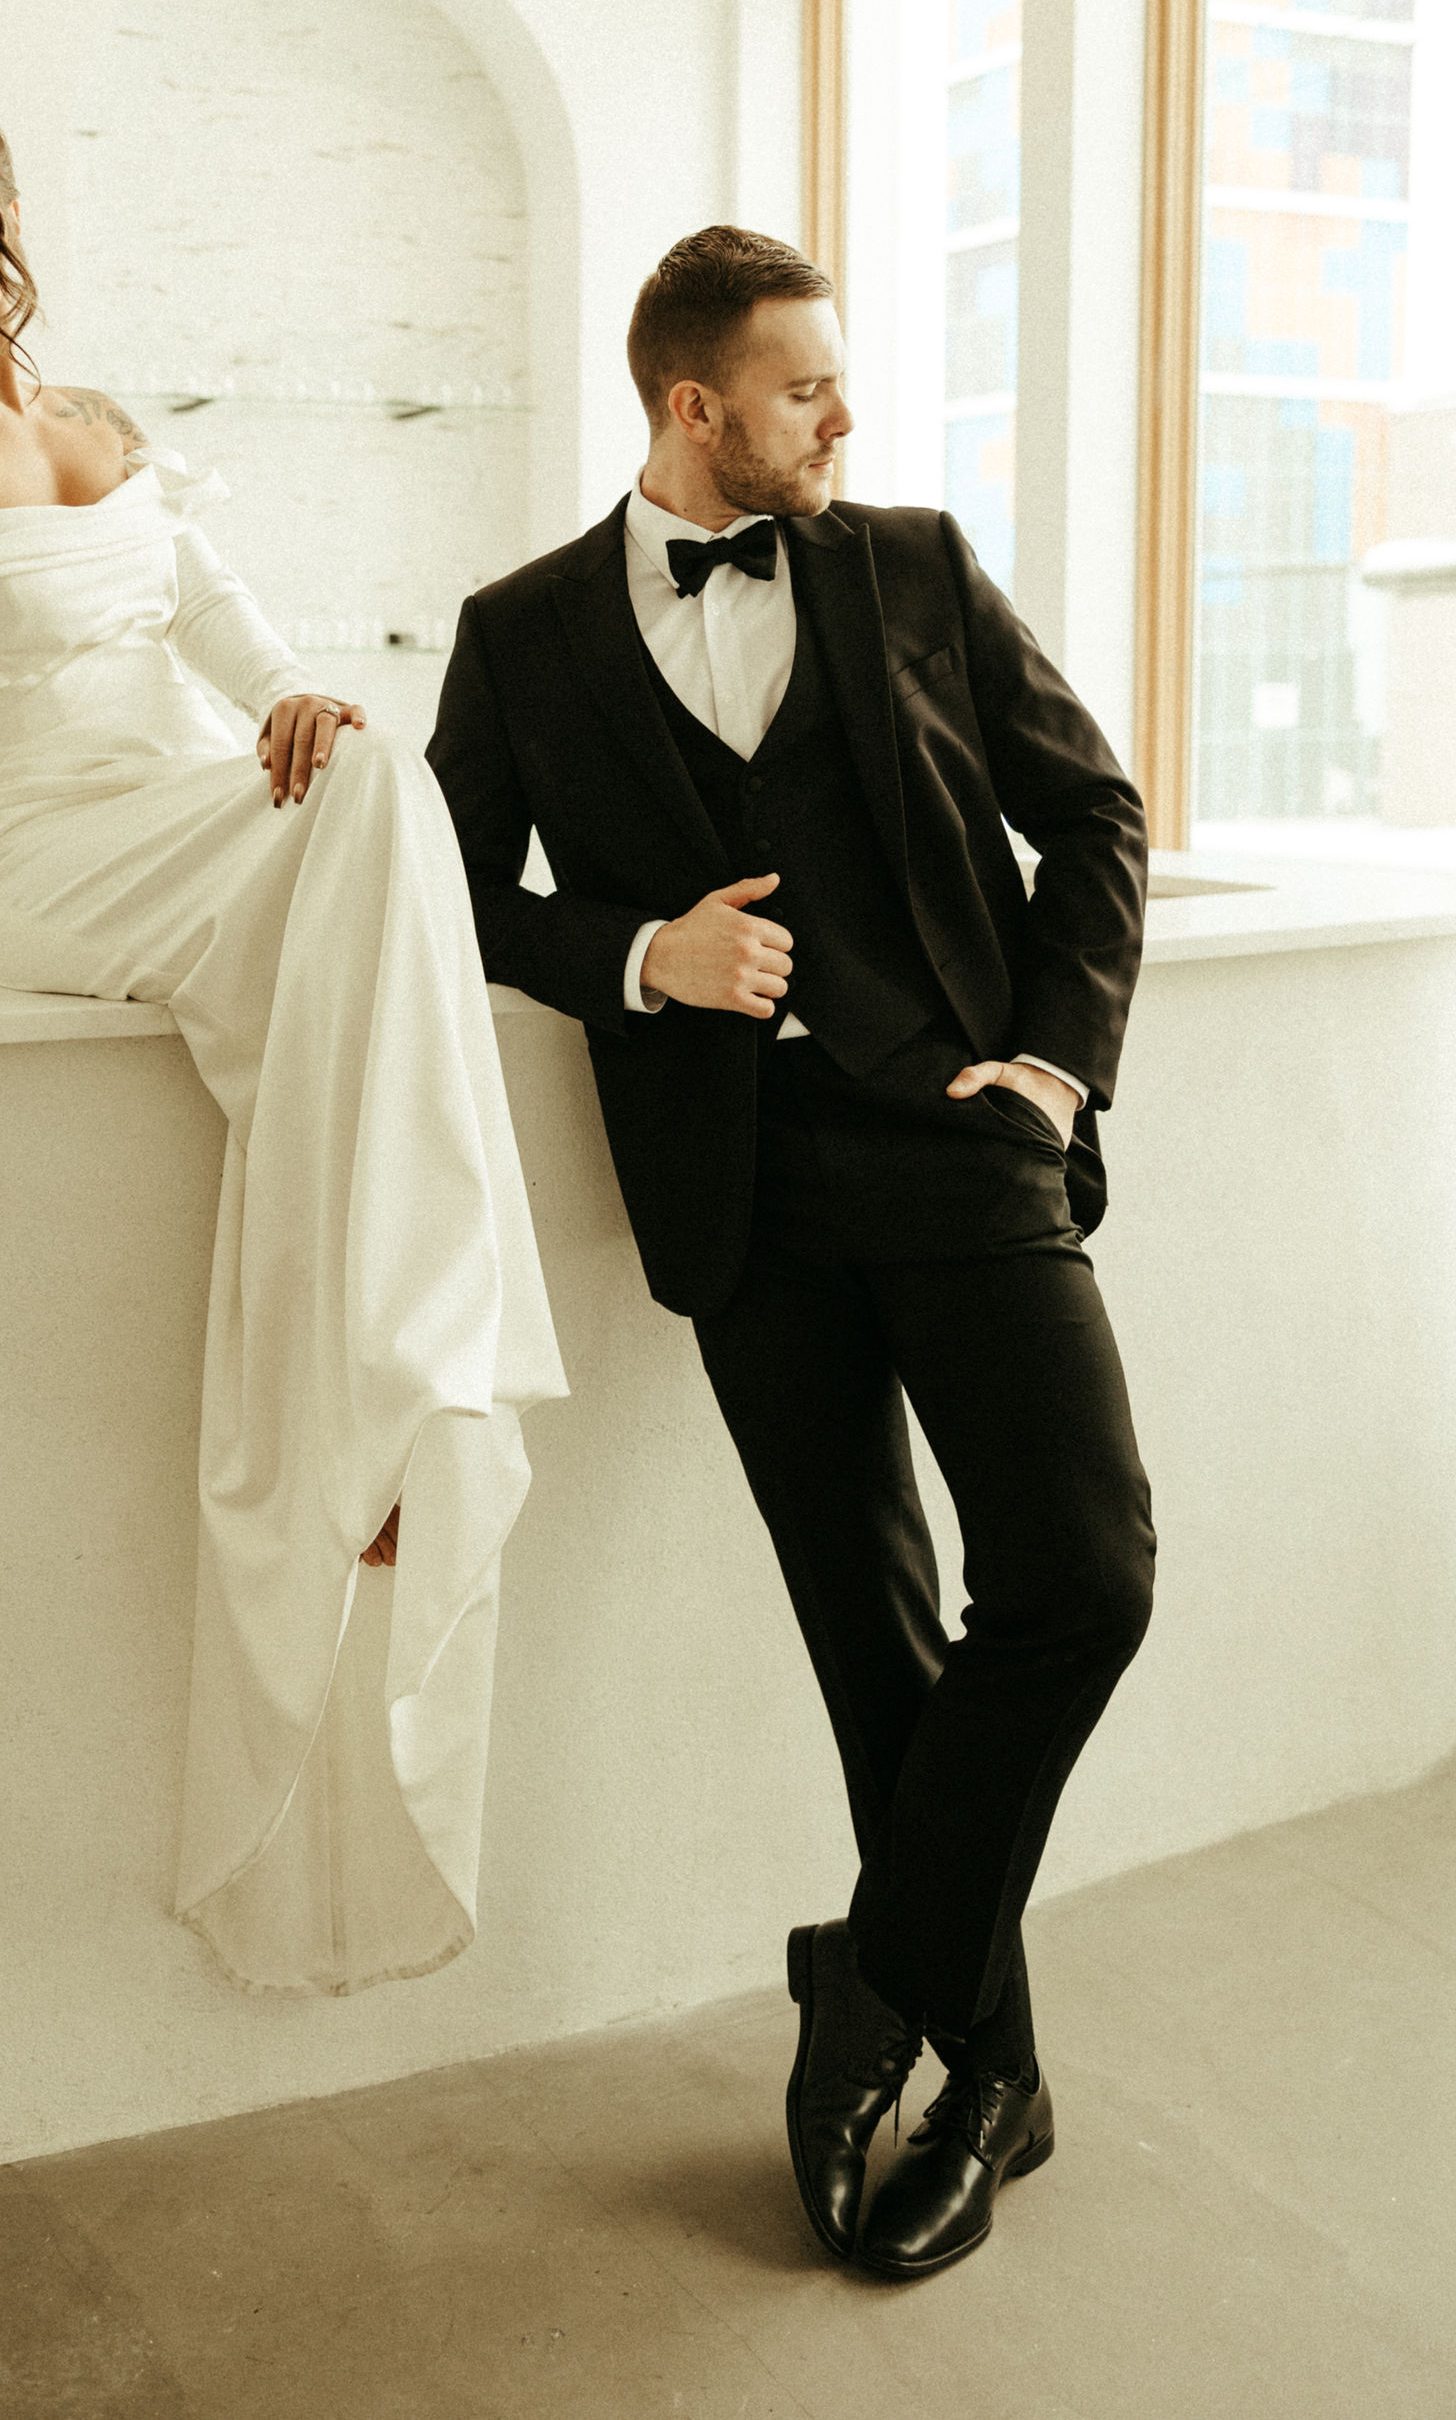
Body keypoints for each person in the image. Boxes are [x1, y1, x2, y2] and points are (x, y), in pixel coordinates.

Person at [0, 51, 564, 1999]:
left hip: (191, 806)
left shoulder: (91, 420)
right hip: (42, 853)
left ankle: (383, 1387)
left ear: (4, 210)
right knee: (376, 817)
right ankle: (419, 1373)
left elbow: (227, 630)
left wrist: (293, 697)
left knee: (370, 770)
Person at [428, 224, 1156, 2279]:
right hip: (743, 1202)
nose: (846, 416)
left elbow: (1094, 815)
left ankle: (872, 1979)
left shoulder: (912, 565)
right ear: (697, 406)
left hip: (960, 1145)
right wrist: (635, 954)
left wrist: (1052, 1068)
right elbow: (454, 893)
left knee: (1083, 1575)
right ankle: (996, 2081)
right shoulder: (521, 632)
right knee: (873, 1642)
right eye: (807, 387)